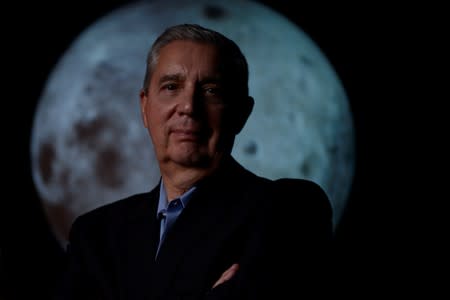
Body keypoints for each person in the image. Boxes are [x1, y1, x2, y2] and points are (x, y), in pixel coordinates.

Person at [54, 23, 333, 300]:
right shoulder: (95, 235)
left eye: (211, 90)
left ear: (241, 113)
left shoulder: (289, 211)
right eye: (171, 86)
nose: (189, 106)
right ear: (144, 106)